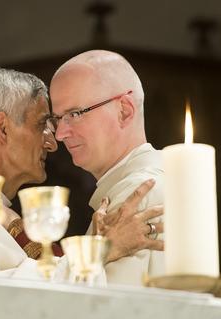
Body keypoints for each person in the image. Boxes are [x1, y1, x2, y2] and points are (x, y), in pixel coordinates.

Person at [0, 67, 163, 280]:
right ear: (3, 128)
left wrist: (10, 221)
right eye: (43, 124)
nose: (53, 142)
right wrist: (103, 250)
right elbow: (23, 305)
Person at [48, 50, 164, 285]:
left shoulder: (136, 195)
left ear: (124, 111)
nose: (60, 134)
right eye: (57, 118)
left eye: (75, 113)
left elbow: (102, 310)